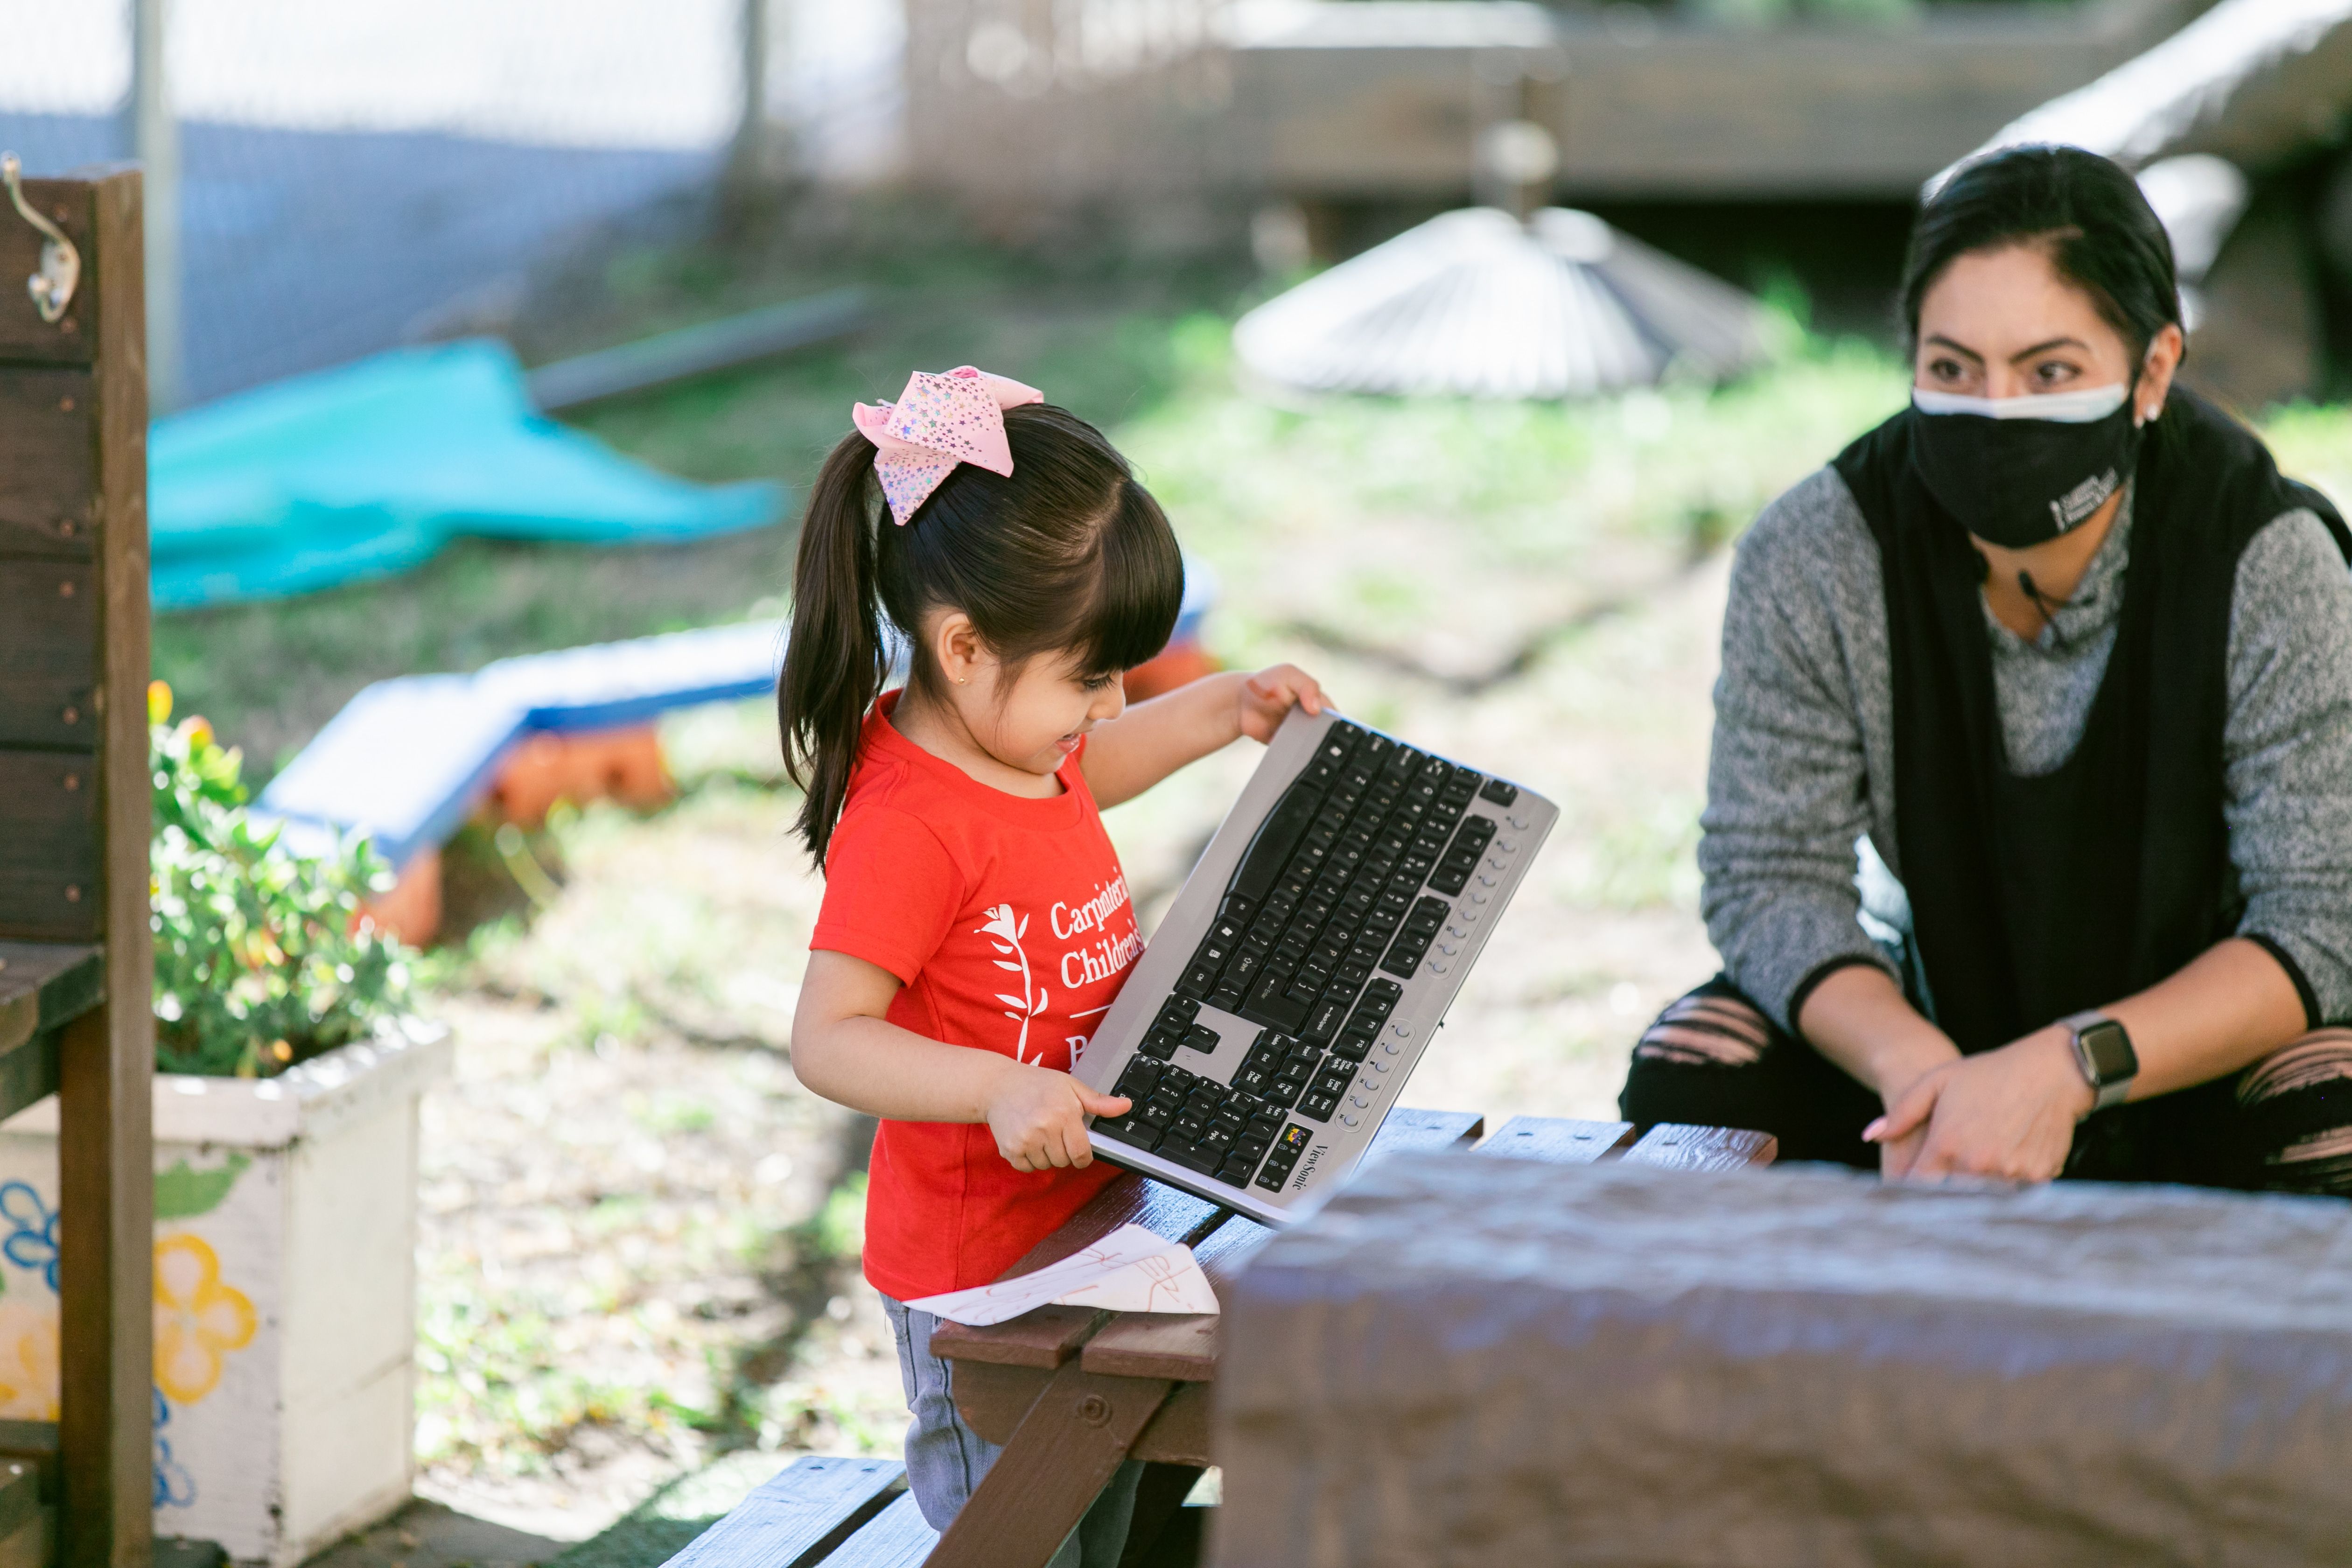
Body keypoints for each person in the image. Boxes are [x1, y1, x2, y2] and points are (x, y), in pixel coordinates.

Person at [1620, 145, 2352, 1195]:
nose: (1997, 412)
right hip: (1930, 1021)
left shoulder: (2268, 558)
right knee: (1697, 1078)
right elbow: (1768, 873)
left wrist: (2067, 1071)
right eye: (1953, 369)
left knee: (2335, 1119)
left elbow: (2322, 919)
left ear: (2151, 373)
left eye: (2051, 372)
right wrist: (1924, 1075)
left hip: (2193, 1042)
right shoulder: (1821, 551)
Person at [779, 365, 1325, 1557]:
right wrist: (994, 1086)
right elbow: (828, 1037)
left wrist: (1229, 707)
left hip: (1093, 1220)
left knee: (1113, 1513)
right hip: (982, 1287)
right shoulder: (912, 822)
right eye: (1090, 676)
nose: (1111, 700)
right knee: (1025, 1538)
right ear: (964, 646)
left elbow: (1099, 765)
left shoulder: (1026, 746)